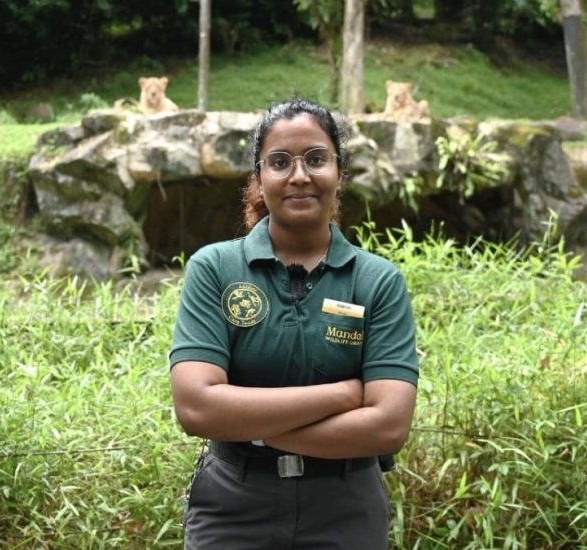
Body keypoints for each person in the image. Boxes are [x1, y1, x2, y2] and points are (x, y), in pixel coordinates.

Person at [169, 98, 418, 549]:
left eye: (316, 159)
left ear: (339, 173)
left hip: (346, 509)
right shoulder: (215, 268)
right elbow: (196, 408)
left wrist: (245, 421)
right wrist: (344, 395)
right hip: (233, 506)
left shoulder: (377, 281)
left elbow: (388, 427)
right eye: (280, 162)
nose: (299, 175)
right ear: (258, 178)